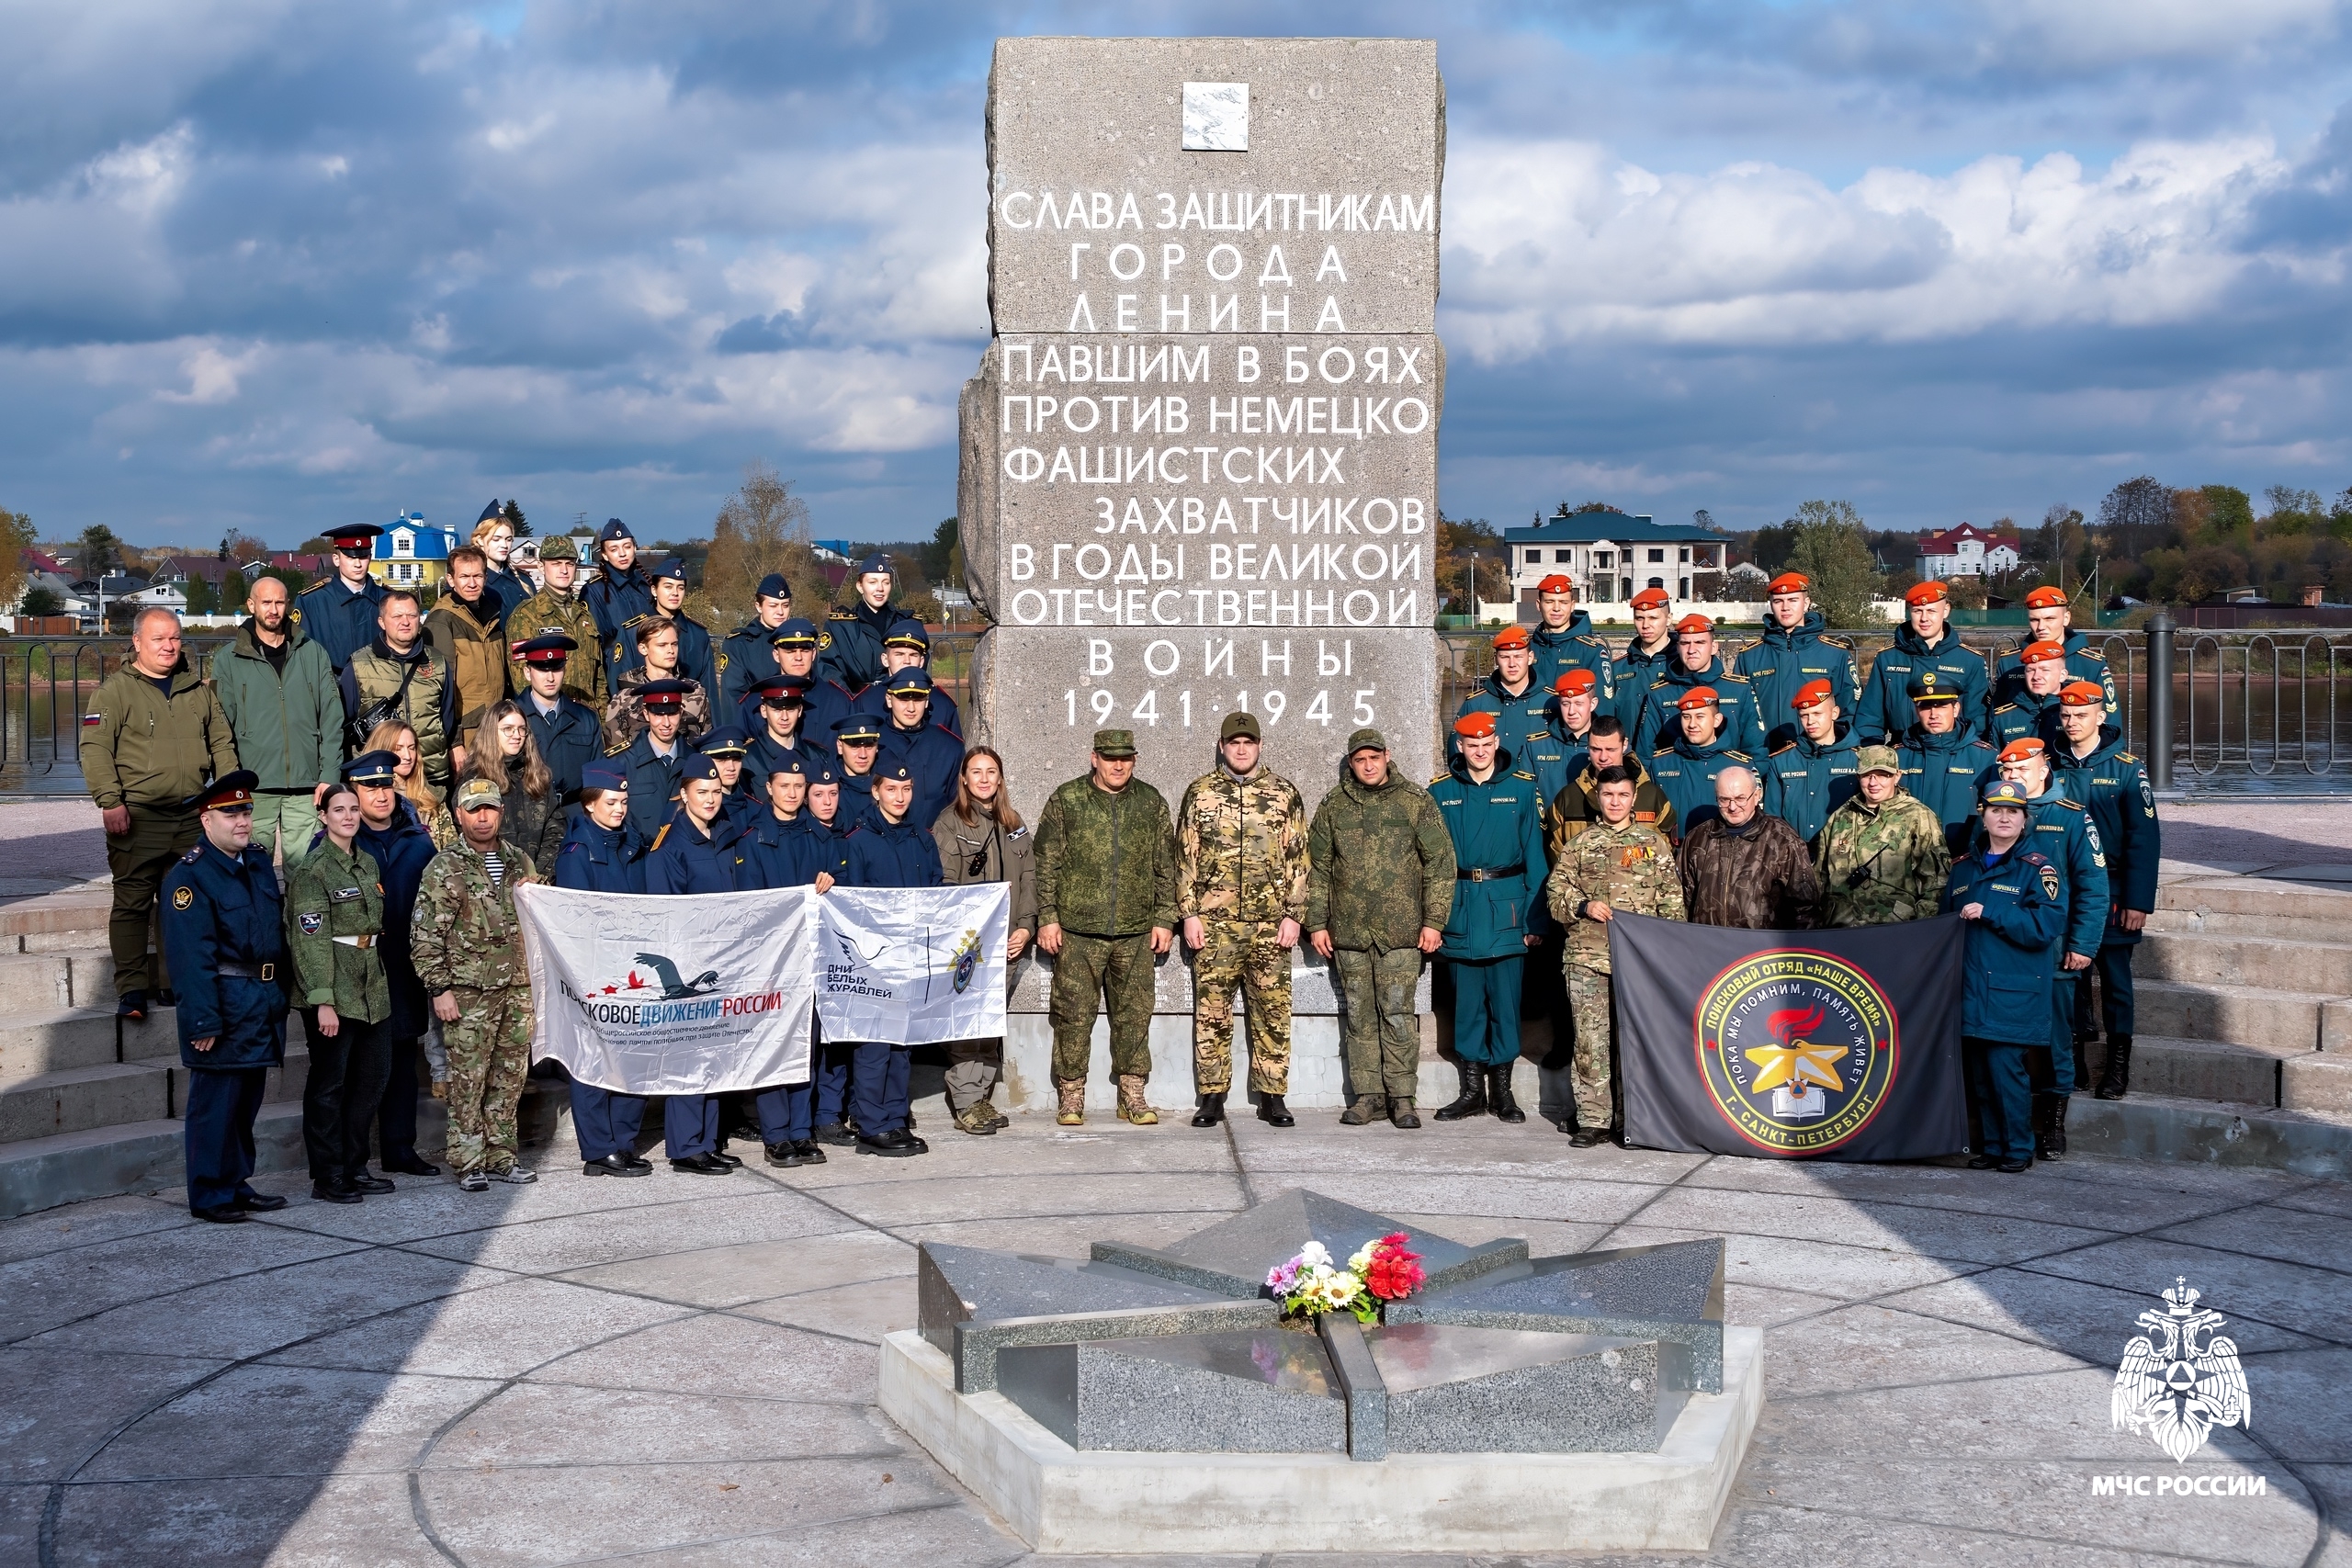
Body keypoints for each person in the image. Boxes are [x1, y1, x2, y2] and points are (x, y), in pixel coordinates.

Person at [83, 607, 239, 1019]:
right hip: (138, 817)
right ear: (137, 642)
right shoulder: (114, 692)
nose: (169, 646)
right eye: (159, 639)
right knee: (132, 905)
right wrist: (110, 801)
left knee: (183, 903)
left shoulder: (197, 690)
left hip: (190, 817)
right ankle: (132, 989)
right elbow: (95, 750)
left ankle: (175, 982)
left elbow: (221, 744)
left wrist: (228, 798)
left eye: (175, 638)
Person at [160, 771, 293, 1223]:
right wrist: (202, 1021)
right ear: (207, 820)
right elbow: (189, 959)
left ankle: (235, 1182)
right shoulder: (190, 877)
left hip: (260, 1001)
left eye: (246, 811)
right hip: (224, 1005)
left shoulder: (255, 862)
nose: (242, 821)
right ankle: (210, 1193)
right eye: (230, 813)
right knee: (215, 1107)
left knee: (244, 1105)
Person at [1307, 728, 1454, 1130]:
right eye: (1360, 759)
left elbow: (1440, 864)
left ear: (1387, 756)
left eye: (1374, 757)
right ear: (1351, 763)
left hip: (1401, 932)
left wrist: (1433, 921)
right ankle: (1368, 1096)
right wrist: (1317, 922)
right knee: (1359, 1017)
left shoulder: (1415, 802)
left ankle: (1402, 1097)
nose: (1368, 765)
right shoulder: (1334, 805)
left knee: (1397, 1014)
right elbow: (1318, 869)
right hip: (1350, 933)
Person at [1034, 729, 1177, 1127]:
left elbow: (1166, 866)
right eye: (1110, 758)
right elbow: (1045, 862)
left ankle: (1132, 1093)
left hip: (1135, 932)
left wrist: (1165, 918)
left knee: (1135, 1015)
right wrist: (1047, 916)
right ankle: (1071, 1094)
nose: (1118, 765)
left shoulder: (1150, 802)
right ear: (1094, 758)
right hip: (1078, 931)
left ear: (1134, 760)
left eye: (1125, 758)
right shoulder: (1067, 799)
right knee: (1072, 1014)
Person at [1177, 712, 1309, 1130]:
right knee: (1212, 1013)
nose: (1240, 749)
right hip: (1214, 925)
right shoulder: (1200, 793)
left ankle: (1273, 1097)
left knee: (1272, 1012)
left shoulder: (1283, 793)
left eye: (1248, 742)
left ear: (1259, 745)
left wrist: (1294, 915)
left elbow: (1298, 859)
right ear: (1222, 747)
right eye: (1233, 742)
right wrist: (1189, 914)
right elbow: (1185, 857)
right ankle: (1212, 1097)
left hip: (1270, 923)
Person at [413, 777, 543, 1190]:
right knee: (468, 1079)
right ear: (458, 815)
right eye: (474, 810)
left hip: (517, 989)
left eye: (489, 808)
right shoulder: (445, 866)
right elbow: (424, 936)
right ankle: (469, 1162)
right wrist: (439, 989)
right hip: (468, 992)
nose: (482, 817)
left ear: (501, 812)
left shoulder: (519, 861)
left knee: (510, 1076)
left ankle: (502, 1157)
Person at [1545, 765, 1684, 1146]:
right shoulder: (1579, 845)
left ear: (1633, 798)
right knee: (1590, 1041)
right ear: (1598, 797)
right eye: (1608, 795)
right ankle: (1594, 1119)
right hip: (1587, 958)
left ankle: (1632, 1118)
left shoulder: (1652, 844)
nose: (1615, 802)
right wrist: (1583, 905)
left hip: (1638, 961)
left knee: (1633, 1041)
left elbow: (1671, 902)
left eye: (1623, 795)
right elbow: (1555, 896)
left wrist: (1666, 956)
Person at [1428, 710, 1548, 1124]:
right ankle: (1472, 1093)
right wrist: (1433, 918)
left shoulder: (1521, 789)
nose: (1479, 751)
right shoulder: (1441, 791)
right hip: (1460, 908)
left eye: (1486, 744)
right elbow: (1430, 862)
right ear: (1460, 746)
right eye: (1471, 745)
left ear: (1496, 743)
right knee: (1467, 1007)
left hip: (1506, 909)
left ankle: (1503, 1093)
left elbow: (1536, 859)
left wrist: (1535, 920)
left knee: (1505, 1005)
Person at [1943, 779, 2067, 1174]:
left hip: (2012, 991)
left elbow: (2045, 927)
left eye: (2013, 812)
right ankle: (1994, 1146)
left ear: (2024, 819)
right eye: (1996, 810)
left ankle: (2018, 1148)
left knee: (2006, 1072)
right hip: (1971, 988)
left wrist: (1993, 912)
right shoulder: (1964, 867)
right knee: (1981, 1074)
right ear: (1983, 816)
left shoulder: (2038, 868)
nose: (2004, 818)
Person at [1994, 736, 2109, 1160]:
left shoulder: (2071, 817)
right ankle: (2012, 1126)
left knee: (2057, 1041)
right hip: (2004, 950)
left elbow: (2093, 887)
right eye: (2007, 770)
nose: (2012, 777)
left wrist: (2083, 944)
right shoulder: (1995, 813)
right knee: (2007, 1042)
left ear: (2043, 771)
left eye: (2021, 770)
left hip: (2055, 953)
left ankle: (2054, 1126)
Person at [2049, 679, 2160, 1101]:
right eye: (2066, 715)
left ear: (2101, 716)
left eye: (2081, 715)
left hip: (2112, 892)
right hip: (2064, 891)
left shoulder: (2127, 769)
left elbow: (2143, 839)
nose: (2072, 722)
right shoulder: (2050, 765)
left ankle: (2117, 1066)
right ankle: (2074, 1060)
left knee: (2115, 984)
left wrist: (2137, 900)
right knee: (2070, 980)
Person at [285, 781, 395, 1205]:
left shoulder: (366, 862)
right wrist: (323, 1000)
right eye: (339, 810)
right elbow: (309, 939)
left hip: (371, 985)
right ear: (323, 817)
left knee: (371, 1080)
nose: (348, 816)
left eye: (353, 809)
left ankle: (355, 1166)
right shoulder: (313, 871)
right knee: (329, 1086)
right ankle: (328, 1174)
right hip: (332, 986)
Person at [641, 756, 746, 1175]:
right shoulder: (670, 845)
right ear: (683, 795)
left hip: (722, 961)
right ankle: (686, 1147)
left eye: (716, 792)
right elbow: (667, 914)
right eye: (701, 792)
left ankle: (708, 1140)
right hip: (689, 964)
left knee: (714, 1050)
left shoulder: (724, 835)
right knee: (689, 1052)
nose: (710, 799)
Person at [552, 767, 654, 1178]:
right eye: (611, 802)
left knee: (634, 1053)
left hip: (634, 966)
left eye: (624, 802)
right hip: (596, 969)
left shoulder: (633, 844)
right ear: (590, 804)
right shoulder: (576, 852)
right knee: (594, 1058)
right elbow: (577, 921)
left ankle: (624, 1142)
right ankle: (598, 1148)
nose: (619, 809)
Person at [729, 757, 831, 1166]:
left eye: (798, 785)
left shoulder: (819, 836)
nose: (792, 793)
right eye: (784, 785)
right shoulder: (752, 839)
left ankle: (801, 1131)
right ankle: (776, 1134)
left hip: (811, 957)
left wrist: (833, 880)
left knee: (805, 1045)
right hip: (771, 963)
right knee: (774, 1044)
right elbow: (750, 907)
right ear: (769, 788)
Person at [840, 762, 945, 1156]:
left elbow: (936, 888)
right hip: (874, 961)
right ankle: (872, 1126)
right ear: (875, 792)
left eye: (906, 789)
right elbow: (851, 903)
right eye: (891, 789)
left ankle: (895, 1118)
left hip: (911, 957)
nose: (900, 797)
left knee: (902, 1045)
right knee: (874, 1047)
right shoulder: (858, 840)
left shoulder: (921, 837)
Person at [932, 747, 1035, 1135]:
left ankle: (981, 1097)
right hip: (969, 947)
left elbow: (1029, 878)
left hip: (1008, 943)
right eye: (976, 772)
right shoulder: (950, 823)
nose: (984, 779)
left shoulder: (1014, 823)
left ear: (1000, 777)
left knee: (990, 1024)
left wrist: (1025, 926)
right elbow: (946, 886)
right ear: (964, 778)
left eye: (991, 771)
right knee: (966, 1024)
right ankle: (966, 1102)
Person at [347, 750, 440, 1178]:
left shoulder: (419, 840)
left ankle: (400, 1148)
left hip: (405, 966)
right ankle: (351, 1161)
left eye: (386, 785)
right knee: (361, 1066)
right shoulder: (342, 839)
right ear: (355, 792)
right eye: (370, 787)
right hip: (358, 968)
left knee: (403, 1059)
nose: (381, 794)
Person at [210, 574, 341, 862]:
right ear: (251, 605)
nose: (273, 609)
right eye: (266, 602)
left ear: (288, 605)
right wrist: (230, 780)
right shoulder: (229, 659)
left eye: (279, 602)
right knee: (252, 869)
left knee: (306, 868)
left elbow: (332, 719)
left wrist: (329, 776)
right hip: (253, 785)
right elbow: (220, 726)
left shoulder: (313, 653)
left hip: (306, 786)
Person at [342, 590, 464, 793]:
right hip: (379, 779)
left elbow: (448, 718)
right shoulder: (359, 665)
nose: (405, 622)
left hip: (429, 777)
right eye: (397, 616)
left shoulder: (437, 662)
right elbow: (346, 721)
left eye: (412, 615)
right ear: (382, 622)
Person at [1816, 746, 1953, 927]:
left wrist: (1920, 927)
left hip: (1893, 928)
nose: (1873, 782)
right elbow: (1819, 875)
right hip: (1840, 927)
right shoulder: (1840, 817)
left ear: (1897, 776)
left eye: (1882, 775)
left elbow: (1936, 880)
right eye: (1867, 775)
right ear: (1858, 777)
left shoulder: (1917, 816)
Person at [1679, 765, 1817, 929]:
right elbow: (1683, 899)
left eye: (1740, 798)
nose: (1732, 807)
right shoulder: (1698, 838)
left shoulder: (1782, 839)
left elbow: (1805, 906)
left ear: (1757, 796)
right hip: (1708, 940)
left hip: (1762, 943)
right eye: (1724, 799)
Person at [1735, 571, 1860, 749]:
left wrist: (1835, 751)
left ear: (1806, 603)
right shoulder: (1749, 656)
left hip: (1818, 754)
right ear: (1771, 605)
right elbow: (1739, 713)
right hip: (1765, 755)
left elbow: (1849, 710)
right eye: (1778, 601)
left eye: (1793, 600)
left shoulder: (1835, 654)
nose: (1785, 607)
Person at [1857, 580, 1989, 742]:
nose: (1924, 618)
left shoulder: (1970, 661)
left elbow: (1978, 722)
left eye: (1931, 611)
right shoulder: (1887, 658)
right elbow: (1870, 717)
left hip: (1953, 751)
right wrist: (1873, 753)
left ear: (1946, 610)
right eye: (1917, 611)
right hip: (1901, 749)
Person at [1634, 614, 1768, 759]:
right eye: (1685, 643)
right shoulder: (1659, 695)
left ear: (1714, 647)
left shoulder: (1739, 690)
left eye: (1699, 642)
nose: (1691, 650)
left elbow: (1756, 750)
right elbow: (1645, 754)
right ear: (1677, 647)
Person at [1895, 674, 1997, 854]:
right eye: (1926, 707)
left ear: (1956, 708)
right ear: (1916, 711)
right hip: (1907, 858)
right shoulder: (1898, 756)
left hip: (1964, 858)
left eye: (1941, 706)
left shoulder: (1984, 757)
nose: (1933, 714)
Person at [1546, 716, 1675, 854]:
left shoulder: (1652, 797)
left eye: (1611, 749)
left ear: (1624, 745)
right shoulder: (1568, 798)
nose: (1603, 757)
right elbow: (1557, 852)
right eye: (1596, 749)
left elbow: (1665, 852)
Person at [505, 536, 606, 712]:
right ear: (541, 566)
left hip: (588, 719)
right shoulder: (526, 616)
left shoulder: (585, 616)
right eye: (556, 564)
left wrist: (602, 722)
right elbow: (521, 679)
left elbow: (599, 680)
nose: (564, 570)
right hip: (551, 719)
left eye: (570, 564)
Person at [1759, 679, 1862, 847]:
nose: (1810, 721)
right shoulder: (1781, 761)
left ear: (1835, 713)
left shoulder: (1858, 759)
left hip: (1843, 853)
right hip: (1794, 852)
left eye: (1817, 713)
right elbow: (1772, 818)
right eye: (1804, 715)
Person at [1646, 686, 1755, 838]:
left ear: (1716, 720)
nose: (1692, 724)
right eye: (1686, 717)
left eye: (1700, 717)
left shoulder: (1740, 766)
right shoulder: (1660, 763)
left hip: (1722, 849)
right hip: (1672, 849)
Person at [470, 699, 566, 871]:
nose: (517, 735)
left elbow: (555, 830)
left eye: (522, 729)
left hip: (536, 877)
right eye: (508, 729)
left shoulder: (538, 775)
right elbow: (469, 835)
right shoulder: (474, 779)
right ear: (491, 732)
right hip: (489, 878)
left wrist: (538, 874)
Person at [1993, 586, 2116, 717]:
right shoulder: (2009, 663)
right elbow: (1997, 716)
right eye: (2034, 620)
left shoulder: (2091, 665)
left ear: (2066, 618)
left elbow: (2109, 720)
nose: (2041, 627)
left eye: (2049, 619)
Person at [426, 545, 510, 737]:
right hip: (466, 730)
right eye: (464, 576)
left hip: (496, 723)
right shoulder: (442, 620)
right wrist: (454, 741)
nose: (472, 583)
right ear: (451, 579)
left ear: (485, 578)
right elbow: (436, 688)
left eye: (477, 576)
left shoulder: (492, 615)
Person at [512, 634, 600, 800]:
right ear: (527, 673)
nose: (551, 678)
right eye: (542, 669)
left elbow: (597, 776)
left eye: (556, 668)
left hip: (576, 809)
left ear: (565, 669)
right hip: (528, 809)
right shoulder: (511, 719)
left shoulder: (585, 719)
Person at [608, 678, 695, 848]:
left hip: (685, 855)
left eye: (672, 713)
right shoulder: (622, 762)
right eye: (658, 714)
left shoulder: (694, 760)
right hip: (639, 857)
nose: (666, 723)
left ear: (681, 712)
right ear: (646, 714)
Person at [603, 618, 712, 750]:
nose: (671, 650)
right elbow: (615, 753)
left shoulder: (695, 692)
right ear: (643, 648)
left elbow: (706, 744)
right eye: (662, 645)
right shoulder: (623, 699)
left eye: (674, 644)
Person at [874, 669, 963, 829]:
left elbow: (957, 804)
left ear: (927, 701)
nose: (911, 708)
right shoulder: (871, 743)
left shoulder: (949, 747)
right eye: (903, 699)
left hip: (934, 839)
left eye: (918, 699)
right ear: (889, 700)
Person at [293, 523, 387, 675]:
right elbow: (302, 657)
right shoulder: (311, 602)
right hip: (331, 686)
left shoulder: (388, 600)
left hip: (381, 685)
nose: (357, 564)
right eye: (350, 557)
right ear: (336, 559)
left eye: (363, 557)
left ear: (370, 558)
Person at [1452, 624, 1551, 759]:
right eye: (1505, 657)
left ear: (1530, 658)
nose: (1512, 664)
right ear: (1496, 659)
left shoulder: (1551, 701)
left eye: (1518, 656)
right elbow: (1456, 751)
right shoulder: (1476, 704)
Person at [582, 518, 653, 698]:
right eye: (614, 549)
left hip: (652, 673)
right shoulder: (595, 590)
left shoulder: (647, 585)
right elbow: (595, 646)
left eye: (627, 547)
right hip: (617, 677)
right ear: (605, 555)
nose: (622, 554)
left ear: (634, 548)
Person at [853, 622, 964, 736]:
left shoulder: (942, 704)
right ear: (885, 660)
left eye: (913, 655)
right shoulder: (865, 702)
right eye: (899, 654)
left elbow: (952, 745)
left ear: (921, 662)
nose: (907, 661)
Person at [819, 552, 908, 694]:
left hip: (899, 700)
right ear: (860, 586)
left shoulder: (905, 623)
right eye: (872, 582)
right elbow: (829, 669)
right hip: (855, 701)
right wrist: (849, 700)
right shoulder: (840, 627)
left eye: (886, 582)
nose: (880, 588)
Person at [1526, 573, 1617, 707]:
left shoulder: (1591, 652)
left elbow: (1603, 707)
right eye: (1549, 602)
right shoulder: (1526, 649)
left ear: (1572, 605)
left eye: (1563, 602)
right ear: (1539, 605)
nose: (1556, 608)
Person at [367, 719, 455, 852]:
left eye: (411, 748)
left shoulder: (433, 797)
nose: (407, 756)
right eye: (398, 749)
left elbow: (453, 850)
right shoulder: (370, 802)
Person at [646, 557, 723, 696]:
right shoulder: (634, 631)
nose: (675, 593)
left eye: (680, 588)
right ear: (654, 590)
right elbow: (622, 691)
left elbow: (709, 689)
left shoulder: (698, 635)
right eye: (668, 587)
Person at [720, 573, 796, 716]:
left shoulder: (799, 641)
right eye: (773, 606)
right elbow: (734, 699)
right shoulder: (739, 644)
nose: (780, 612)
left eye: (785, 605)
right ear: (759, 607)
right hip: (755, 721)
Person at [742, 674, 827, 791]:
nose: (784, 717)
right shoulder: (746, 760)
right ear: (764, 711)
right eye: (777, 710)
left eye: (790, 710)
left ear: (800, 710)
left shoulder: (818, 756)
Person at [1611, 586, 1677, 735]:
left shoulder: (1681, 666)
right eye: (1639, 618)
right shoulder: (1617, 668)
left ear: (1668, 619)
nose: (1645, 625)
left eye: (1653, 618)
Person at [1989, 639, 2070, 749]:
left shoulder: (2075, 713)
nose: (2036, 677)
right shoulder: (2004, 718)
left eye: (2045, 670)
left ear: (2062, 675)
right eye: (2030, 670)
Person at [471, 503, 530, 623]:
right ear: (480, 540)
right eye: (496, 539)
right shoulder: (471, 583)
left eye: (508, 539)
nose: (504, 545)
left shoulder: (524, 581)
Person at [830, 713, 888, 831]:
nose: (863, 755)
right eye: (855, 747)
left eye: (869, 746)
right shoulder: (827, 784)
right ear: (840, 747)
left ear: (877, 746)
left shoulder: (888, 781)